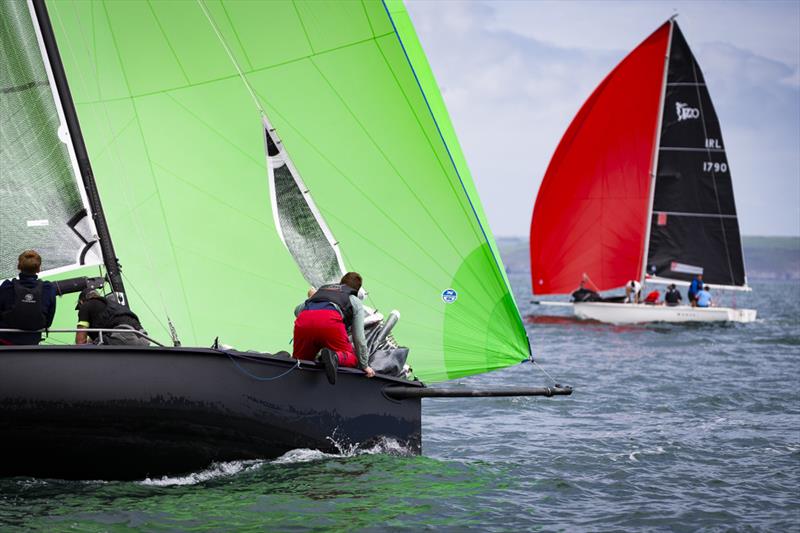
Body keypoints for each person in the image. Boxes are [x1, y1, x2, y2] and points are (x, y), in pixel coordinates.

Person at [293, 272, 375, 385]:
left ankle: (286, 363)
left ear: (341, 282)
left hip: (304, 320)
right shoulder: (354, 300)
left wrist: (313, 299)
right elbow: (359, 338)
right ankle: (334, 357)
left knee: (300, 362)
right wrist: (364, 365)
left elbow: (297, 311)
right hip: (330, 322)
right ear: (357, 290)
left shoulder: (321, 292)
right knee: (352, 358)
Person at [0, 250, 57, 346]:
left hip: (6, 341)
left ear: (19, 267)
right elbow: (49, 319)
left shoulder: (6, 287)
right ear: (39, 269)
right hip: (32, 341)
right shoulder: (48, 288)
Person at [75, 288, 149, 345]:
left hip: (122, 336)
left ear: (81, 302)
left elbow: (80, 342)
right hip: (143, 337)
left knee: (90, 353)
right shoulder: (113, 305)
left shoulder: (86, 305)